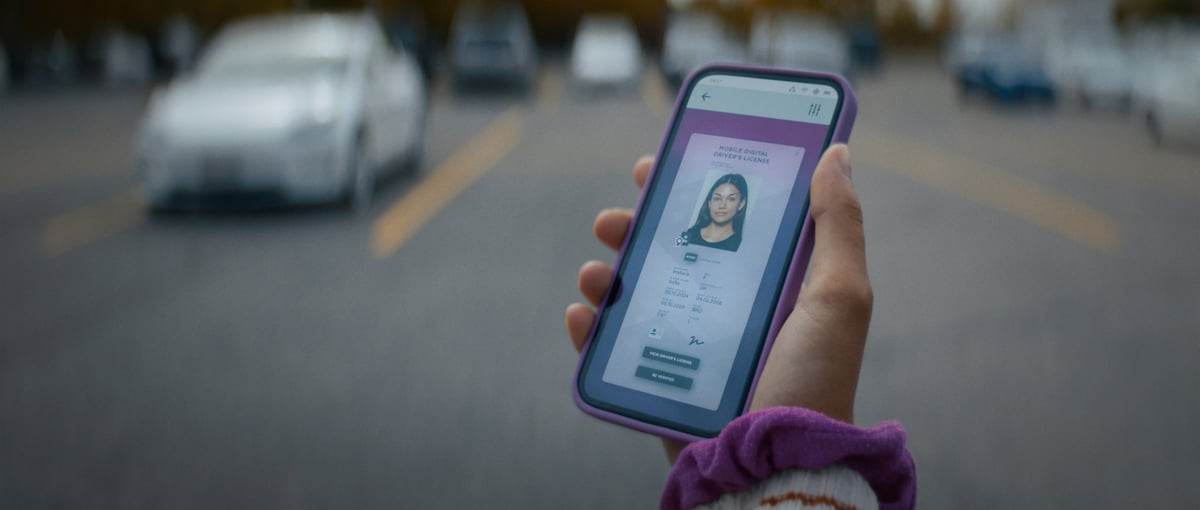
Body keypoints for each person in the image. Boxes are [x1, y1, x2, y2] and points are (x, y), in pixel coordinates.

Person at [565, 145, 916, 509]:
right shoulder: (691, 239)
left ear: (742, 205)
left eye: (731, 197)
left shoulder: (740, 246)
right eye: (716, 195)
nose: (721, 203)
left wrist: (778, 447)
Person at [682, 174, 749, 252]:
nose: (722, 205)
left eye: (731, 199)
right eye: (717, 198)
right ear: (710, 203)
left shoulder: (740, 246)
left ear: (741, 204)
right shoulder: (689, 234)